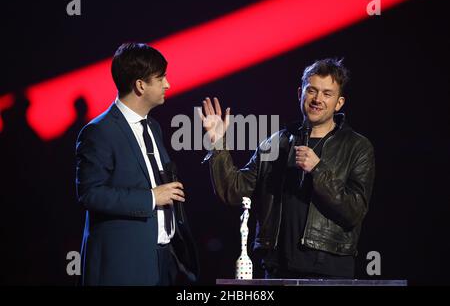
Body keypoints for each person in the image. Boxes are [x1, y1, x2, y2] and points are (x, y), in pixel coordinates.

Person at [199, 58, 375, 279]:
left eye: (327, 94)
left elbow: (354, 211)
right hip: (277, 269)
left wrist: (318, 170)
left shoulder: (357, 146)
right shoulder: (276, 143)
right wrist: (217, 143)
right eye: (312, 91)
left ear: (339, 103)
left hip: (328, 271)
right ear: (300, 93)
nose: (317, 99)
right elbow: (233, 192)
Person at [76, 42, 198, 285]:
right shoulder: (99, 132)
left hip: (162, 260)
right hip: (125, 264)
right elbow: (90, 193)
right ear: (140, 85)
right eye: (161, 78)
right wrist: (151, 198)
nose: (168, 84)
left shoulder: (152, 127)